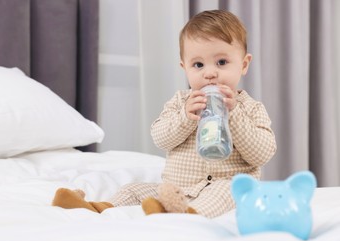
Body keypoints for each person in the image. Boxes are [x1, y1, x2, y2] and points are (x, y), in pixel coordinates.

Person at [52, 9, 277, 218]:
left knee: (227, 191)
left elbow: (262, 153)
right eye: (198, 65)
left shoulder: (250, 108)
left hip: (225, 184)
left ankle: (186, 216)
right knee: (134, 189)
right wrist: (186, 118)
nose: (210, 73)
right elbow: (160, 138)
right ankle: (97, 208)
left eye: (221, 62)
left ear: (244, 64)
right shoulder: (181, 102)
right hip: (178, 189)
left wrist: (234, 114)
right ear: (184, 67)